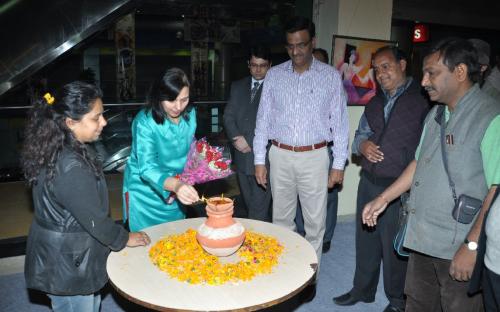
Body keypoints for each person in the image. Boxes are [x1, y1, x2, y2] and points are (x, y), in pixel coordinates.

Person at [362, 38, 500, 312]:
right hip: (422, 235)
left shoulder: (490, 116)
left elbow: (496, 189)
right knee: (418, 303)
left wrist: (472, 245)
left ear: (459, 72)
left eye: (431, 73)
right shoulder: (435, 113)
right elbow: (418, 163)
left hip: (457, 244)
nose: (423, 81)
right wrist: (383, 199)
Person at [21, 81, 150, 312]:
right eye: (95, 117)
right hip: (66, 263)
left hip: (65, 252)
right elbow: (94, 220)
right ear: (70, 122)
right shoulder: (71, 165)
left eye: (103, 115)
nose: (104, 122)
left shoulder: (61, 145)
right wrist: (123, 238)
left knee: (90, 303)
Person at [253, 17, 349, 301]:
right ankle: (285, 275)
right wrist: (260, 159)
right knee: (281, 221)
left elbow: (341, 125)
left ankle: (310, 279)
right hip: (279, 155)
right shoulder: (274, 75)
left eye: (302, 45)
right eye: (291, 46)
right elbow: (263, 120)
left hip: (315, 157)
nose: (296, 52)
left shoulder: (331, 77)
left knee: (314, 224)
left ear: (313, 43)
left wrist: (338, 164)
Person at [333, 46, 430, 312]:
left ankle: (398, 301)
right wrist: (362, 146)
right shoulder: (375, 101)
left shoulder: (422, 100)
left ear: (402, 64)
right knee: (365, 240)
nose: (380, 73)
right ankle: (362, 290)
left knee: (393, 249)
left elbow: (426, 150)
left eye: (386, 66)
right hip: (369, 180)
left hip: (398, 188)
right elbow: (358, 137)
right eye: (376, 69)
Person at [123, 68, 200, 232]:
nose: (178, 107)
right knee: (146, 240)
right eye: (171, 100)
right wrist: (177, 186)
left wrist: (196, 168)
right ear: (159, 96)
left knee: (174, 238)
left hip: (177, 186)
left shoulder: (191, 113)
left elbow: (189, 147)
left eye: (184, 99)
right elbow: (147, 168)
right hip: (146, 193)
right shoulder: (145, 122)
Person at [295, 47, 339, 253]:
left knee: (327, 197)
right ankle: (302, 232)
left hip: (326, 149)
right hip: (303, 150)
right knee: (301, 193)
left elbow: (339, 122)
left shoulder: (333, 84)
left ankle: (326, 236)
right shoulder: (301, 86)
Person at [223, 45, 272, 222]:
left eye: (263, 65)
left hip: (263, 158)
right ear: (248, 64)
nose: (258, 69)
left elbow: (274, 123)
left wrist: (249, 141)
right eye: (254, 65)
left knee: (258, 209)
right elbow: (228, 115)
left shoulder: (276, 89)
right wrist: (236, 138)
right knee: (249, 203)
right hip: (240, 156)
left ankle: (256, 243)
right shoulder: (237, 86)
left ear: (270, 65)